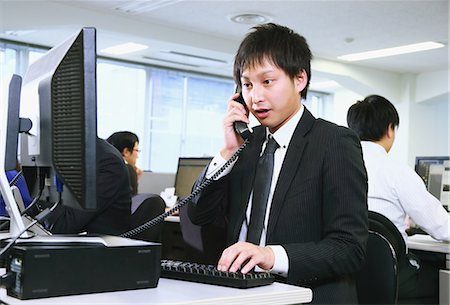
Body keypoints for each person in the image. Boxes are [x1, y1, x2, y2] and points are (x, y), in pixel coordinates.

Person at [187, 23, 368, 304]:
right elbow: (199, 215)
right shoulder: (246, 145)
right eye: (247, 85)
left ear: (299, 79)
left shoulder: (334, 142)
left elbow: (349, 248)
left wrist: (271, 255)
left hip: (304, 295)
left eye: (267, 81)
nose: (256, 96)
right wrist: (227, 151)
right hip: (241, 292)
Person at [347, 94, 450, 303]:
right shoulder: (396, 172)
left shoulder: (337, 167)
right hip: (393, 274)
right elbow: (441, 226)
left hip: (347, 275)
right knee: (441, 278)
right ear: (390, 129)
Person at [43, 138, 132, 235]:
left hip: (97, 244)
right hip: (73, 238)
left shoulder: (108, 161)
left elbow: (64, 225)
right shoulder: (72, 153)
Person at [106, 131, 142, 196]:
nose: (137, 156)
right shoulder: (127, 170)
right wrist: (133, 179)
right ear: (126, 152)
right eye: (136, 150)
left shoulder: (105, 166)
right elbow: (133, 202)